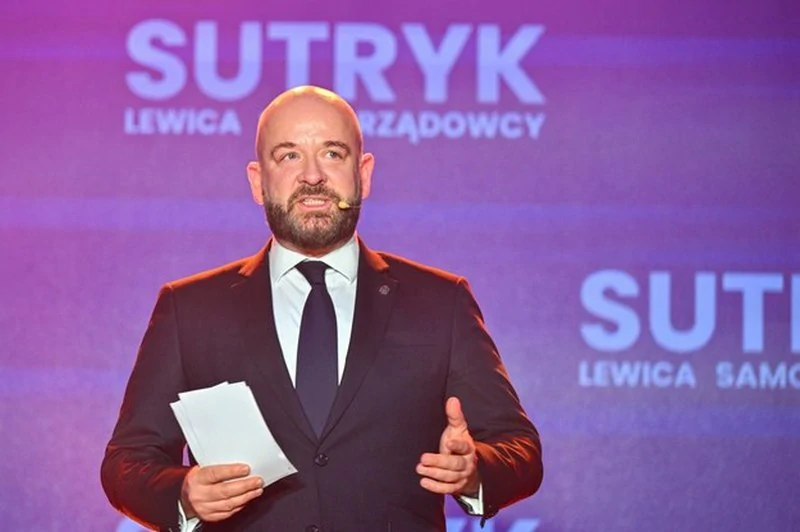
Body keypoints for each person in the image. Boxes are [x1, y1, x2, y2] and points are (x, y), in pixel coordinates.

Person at [101, 86, 543, 532]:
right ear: (257, 181)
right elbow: (127, 462)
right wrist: (183, 494)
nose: (312, 176)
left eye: (332, 153)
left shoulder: (440, 302)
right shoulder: (190, 309)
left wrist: (474, 472)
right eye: (289, 156)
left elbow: (520, 449)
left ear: (363, 174)